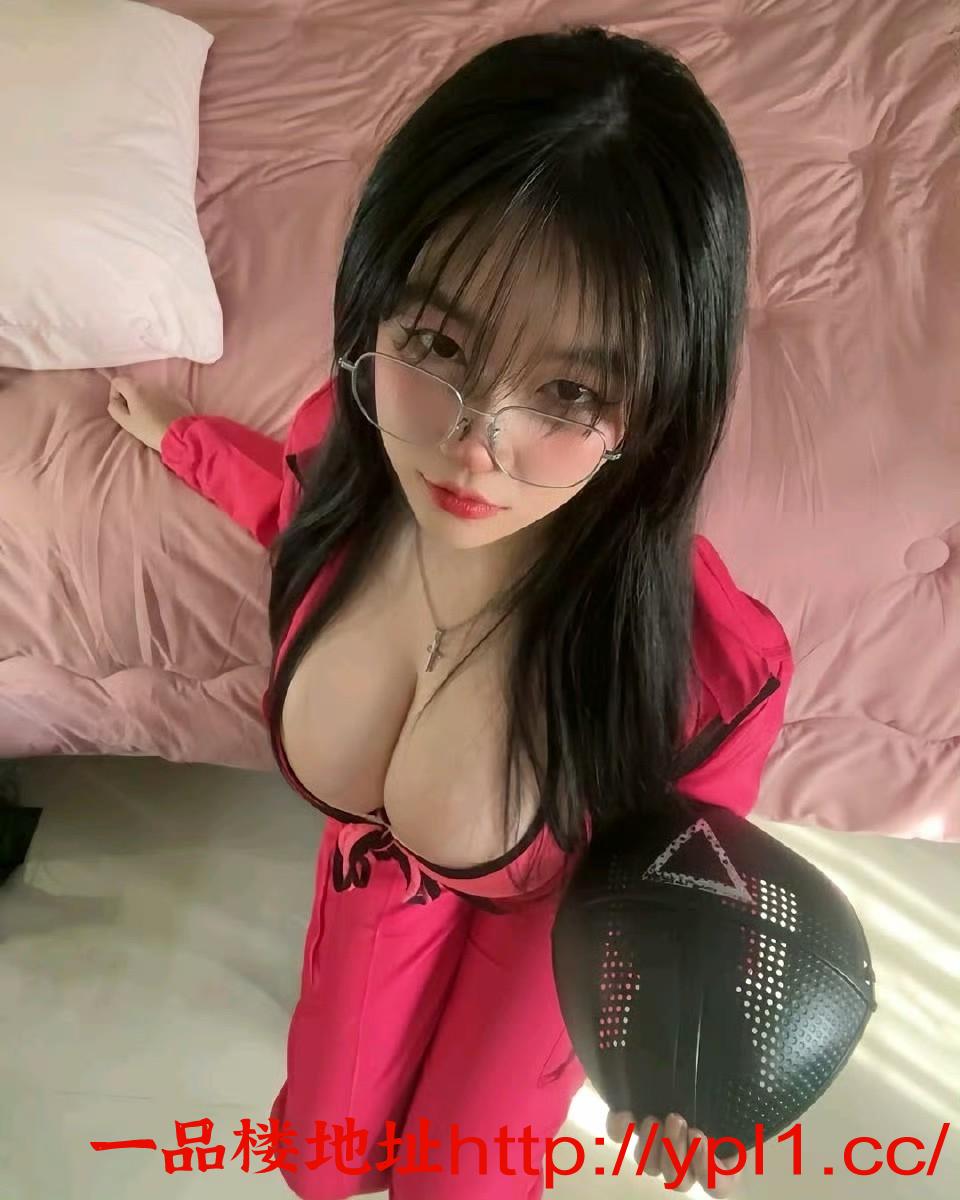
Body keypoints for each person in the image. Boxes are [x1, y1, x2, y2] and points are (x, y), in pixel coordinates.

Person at [107, 26, 793, 1200]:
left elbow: (695, 887)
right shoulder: (359, 452)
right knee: (317, 1163)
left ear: (657, 411)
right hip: (369, 897)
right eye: (436, 345)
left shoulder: (709, 670)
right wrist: (184, 438)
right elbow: (293, 503)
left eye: (567, 391)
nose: (475, 445)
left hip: (539, 955)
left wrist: (679, 1059)